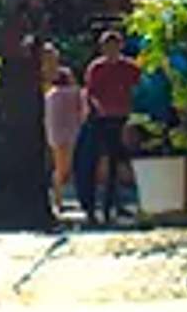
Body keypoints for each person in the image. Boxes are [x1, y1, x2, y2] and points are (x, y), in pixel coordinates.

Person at [73, 29, 142, 225]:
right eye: (107, 47)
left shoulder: (129, 67)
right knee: (92, 162)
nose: (110, 50)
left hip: (122, 118)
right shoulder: (96, 68)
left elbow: (138, 88)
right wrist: (96, 108)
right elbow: (90, 92)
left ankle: (111, 206)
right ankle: (91, 208)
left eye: (114, 46)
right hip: (100, 119)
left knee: (116, 164)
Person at [43, 55, 87, 199]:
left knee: (59, 167)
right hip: (73, 133)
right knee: (69, 168)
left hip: (55, 135)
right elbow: (83, 111)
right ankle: (61, 196)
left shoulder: (49, 95)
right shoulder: (76, 93)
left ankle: (58, 196)